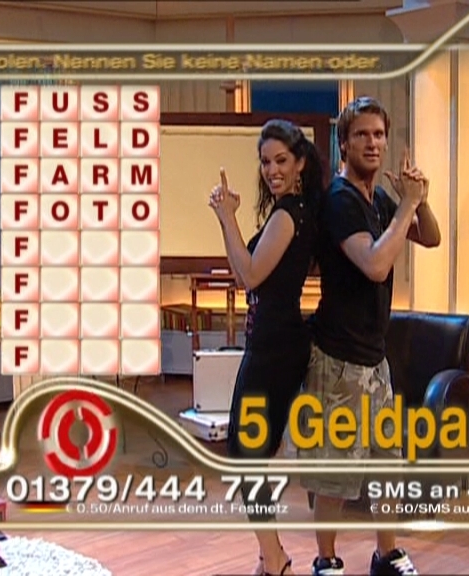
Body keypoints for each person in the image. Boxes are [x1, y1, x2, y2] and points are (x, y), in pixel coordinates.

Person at [298, 97, 441, 576]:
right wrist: (408, 205)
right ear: (344, 143)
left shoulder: (378, 199)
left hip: (375, 360)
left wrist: (420, 198)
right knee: (335, 474)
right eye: (362, 134)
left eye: (379, 134)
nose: (373, 143)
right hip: (337, 360)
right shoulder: (339, 200)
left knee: (386, 466)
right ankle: (326, 560)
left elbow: (431, 236)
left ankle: (386, 554)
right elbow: (376, 264)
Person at [208, 119, 325, 576]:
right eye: (265, 162)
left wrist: (227, 217)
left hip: (275, 347)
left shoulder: (289, 215)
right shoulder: (290, 212)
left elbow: (253, 275)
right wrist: (228, 221)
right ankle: (267, 557)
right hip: (272, 342)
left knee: (245, 454)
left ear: (299, 164)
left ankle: (275, 560)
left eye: (281, 161)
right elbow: (245, 275)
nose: (272, 170)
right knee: (249, 451)